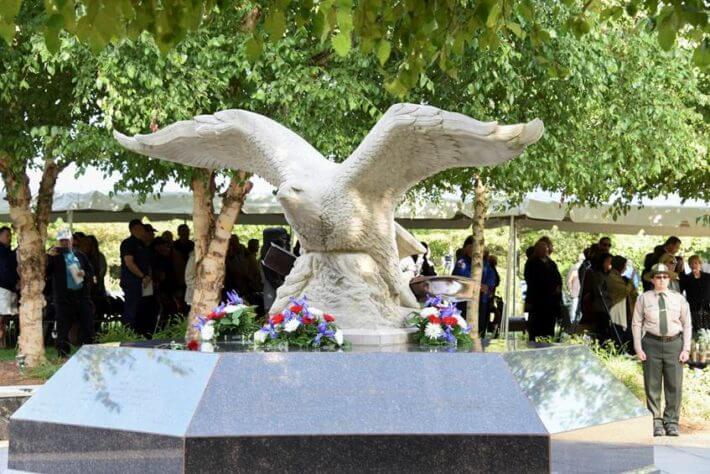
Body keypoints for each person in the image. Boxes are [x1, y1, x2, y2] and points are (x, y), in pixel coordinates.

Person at [632, 263, 691, 437]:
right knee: (652, 385)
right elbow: (636, 323)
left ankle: (672, 422)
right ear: (652, 279)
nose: (662, 280)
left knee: (674, 385)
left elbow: (687, 324)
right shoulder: (644, 298)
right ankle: (656, 422)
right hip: (651, 343)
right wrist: (638, 346)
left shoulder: (678, 298)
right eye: (658, 277)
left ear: (669, 279)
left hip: (674, 344)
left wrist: (686, 348)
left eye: (665, 277)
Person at [47, 229, 95, 357]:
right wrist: (49, 257)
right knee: (62, 327)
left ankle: (87, 351)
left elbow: (91, 272)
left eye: (66, 241)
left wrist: (84, 273)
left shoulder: (80, 255)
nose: (64, 243)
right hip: (63, 298)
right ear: (58, 241)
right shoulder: (54, 257)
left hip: (81, 296)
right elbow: (45, 273)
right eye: (61, 241)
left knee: (87, 325)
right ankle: (62, 353)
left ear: (72, 241)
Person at [524, 239, 562, 341]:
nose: (545, 251)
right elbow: (532, 280)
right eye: (542, 249)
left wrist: (558, 287)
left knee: (549, 328)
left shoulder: (551, 263)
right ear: (537, 250)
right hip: (538, 301)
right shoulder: (532, 262)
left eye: (546, 249)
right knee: (537, 327)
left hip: (551, 302)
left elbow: (558, 278)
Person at [120, 219, 152, 333]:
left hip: (144, 283)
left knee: (140, 310)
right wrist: (142, 276)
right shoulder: (128, 243)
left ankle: (139, 333)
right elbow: (129, 262)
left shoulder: (142, 244)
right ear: (135, 229)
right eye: (141, 228)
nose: (144, 231)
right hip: (132, 282)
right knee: (131, 310)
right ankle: (127, 335)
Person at [581, 252, 613, 342]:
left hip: (609, 307)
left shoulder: (609, 275)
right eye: (608, 261)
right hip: (601, 307)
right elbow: (599, 291)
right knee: (601, 330)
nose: (610, 264)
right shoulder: (598, 275)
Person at [679, 255, 710, 333]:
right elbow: (680, 292)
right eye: (691, 263)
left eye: (696, 263)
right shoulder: (686, 278)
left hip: (707, 309)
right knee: (695, 332)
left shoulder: (707, 276)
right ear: (689, 265)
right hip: (693, 310)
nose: (693, 265)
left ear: (700, 264)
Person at [0, 227, 19, 348]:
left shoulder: (7, 251)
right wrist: (15, 282)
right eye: (7, 235)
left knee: (5, 317)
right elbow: (4, 269)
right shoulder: (1, 251)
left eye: (10, 235)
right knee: (1, 316)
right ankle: (1, 343)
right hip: (3, 287)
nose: (9, 237)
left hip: (10, 287)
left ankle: (3, 343)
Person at [567, 253, 584, 323]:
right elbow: (569, 281)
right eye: (582, 259)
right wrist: (570, 290)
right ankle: (573, 325)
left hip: (582, 294)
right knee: (573, 312)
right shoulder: (575, 268)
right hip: (576, 293)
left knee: (580, 312)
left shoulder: (584, 268)